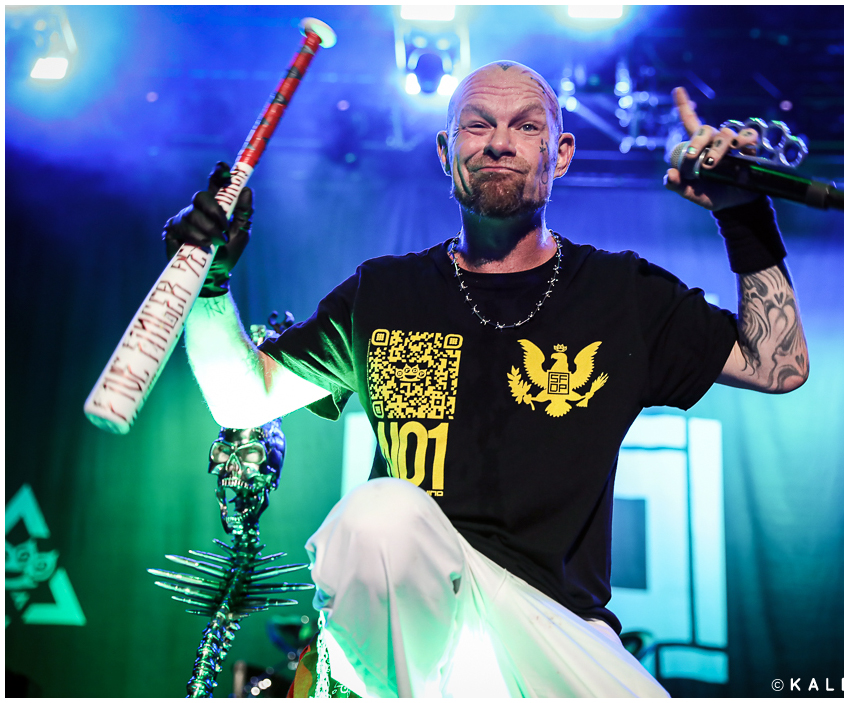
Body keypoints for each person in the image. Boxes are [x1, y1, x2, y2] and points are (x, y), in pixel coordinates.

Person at [164, 60, 809, 697]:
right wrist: (208, 284)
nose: (499, 141)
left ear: (561, 155)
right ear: (446, 153)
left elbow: (776, 363)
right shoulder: (385, 292)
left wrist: (744, 214)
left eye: (525, 127)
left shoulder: (621, 294)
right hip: (417, 624)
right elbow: (241, 398)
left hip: (554, 627)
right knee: (380, 514)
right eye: (477, 125)